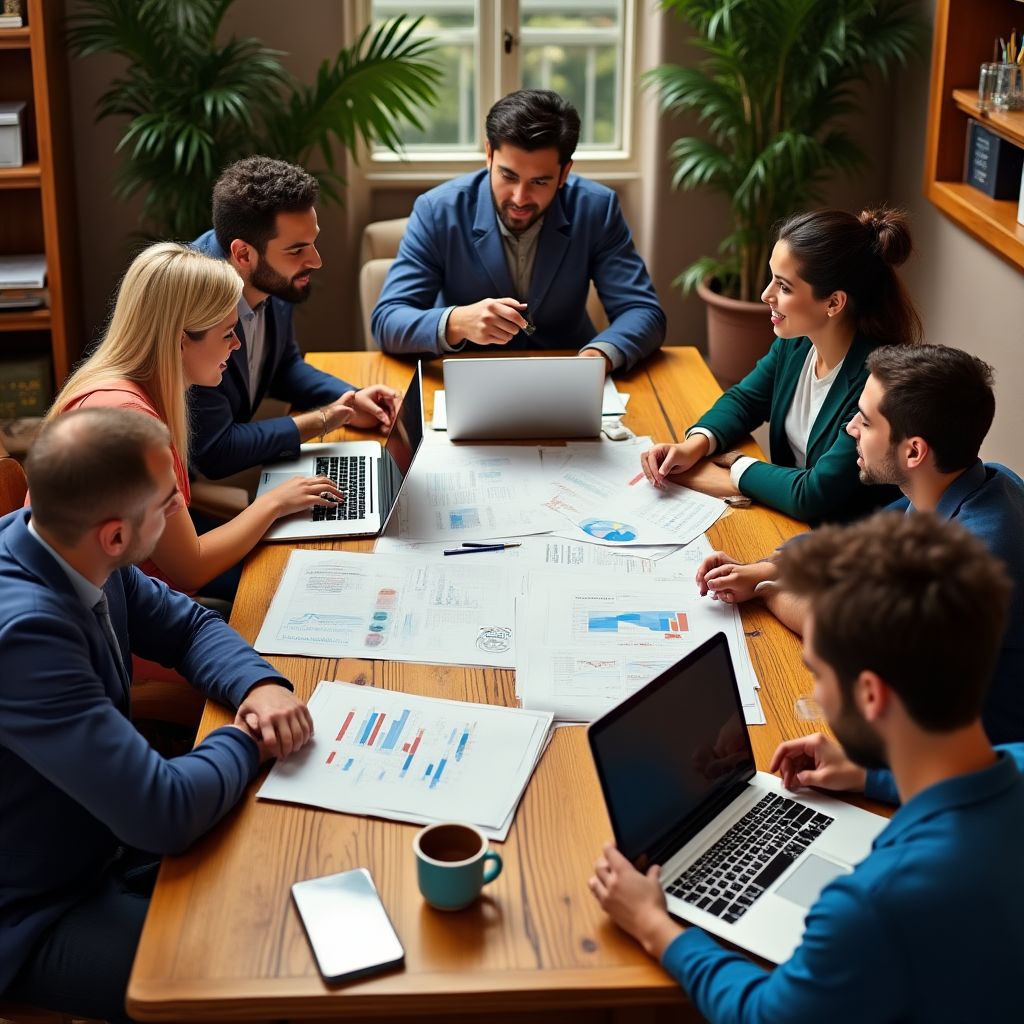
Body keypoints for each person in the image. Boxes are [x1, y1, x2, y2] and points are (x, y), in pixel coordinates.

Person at [589, 512, 1024, 1022]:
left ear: (870, 694)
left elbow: (762, 1014)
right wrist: (865, 775)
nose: (815, 695)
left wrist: (653, 925)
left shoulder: (868, 907)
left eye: (818, 674)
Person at [0, 408, 314, 1023]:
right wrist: (250, 739)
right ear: (116, 537)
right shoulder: (25, 637)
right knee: (270, 973)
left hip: (100, 835)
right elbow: (163, 812)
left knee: (298, 875)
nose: (180, 511)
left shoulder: (60, 540)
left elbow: (189, 624)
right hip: (36, 907)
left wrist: (260, 686)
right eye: (169, 501)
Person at [697, 344, 1024, 743]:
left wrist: (767, 592)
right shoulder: (985, 479)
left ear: (914, 451)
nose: (850, 427)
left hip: (961, 767)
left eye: (866, 422)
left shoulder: (966, 565)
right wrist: (768, 566)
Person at [44, 242, 344, 601]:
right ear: (181, 339)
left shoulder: (128, 387)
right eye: (227, 333)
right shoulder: (130, 425)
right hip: (140, 630)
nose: (236, 346)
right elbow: (190, 568)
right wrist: (274, 502)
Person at [640, 208, 923, 524]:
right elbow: (746, 400)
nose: (765, 295)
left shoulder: (875, 383)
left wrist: (736, 468)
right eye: (772, 279)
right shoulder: (798, 342)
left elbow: (812, 494)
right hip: (786, 519)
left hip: (844, 545)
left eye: (784, 287)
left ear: (833, 303)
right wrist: (696, 444)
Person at [370, 89, 666, 372]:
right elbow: (387, 321)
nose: (520, 197)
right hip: (465, 378)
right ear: (489, 155)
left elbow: (643, 312)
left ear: (565, 172)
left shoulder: (596, 209)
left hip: (567, 380)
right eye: (507, 175)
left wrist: (598, 356)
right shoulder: (437, 210)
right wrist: (456, 322)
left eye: (539, 182)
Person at [191, 156, 401, 480]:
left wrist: (349, 397)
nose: (315, 261)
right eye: (297, 250)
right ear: (243, 254)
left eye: (313, 242)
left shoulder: (267, 274)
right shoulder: (195, 307)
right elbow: (215, 450)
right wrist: (324, 420)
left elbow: (283, 366)